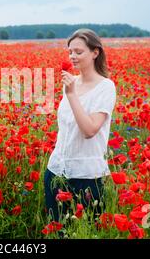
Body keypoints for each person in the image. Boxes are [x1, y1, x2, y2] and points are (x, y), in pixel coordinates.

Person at [44, 28, 117, 225]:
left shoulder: (105, 87)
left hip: (87, 176)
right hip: (56, 170)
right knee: (58, 230)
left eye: (78, 52)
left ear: (95, 52)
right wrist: (70, 90)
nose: (72, 56)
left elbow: (90, 130)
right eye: (70, 52)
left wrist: (71, 95)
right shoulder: (71, 83)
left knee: (86, 231)